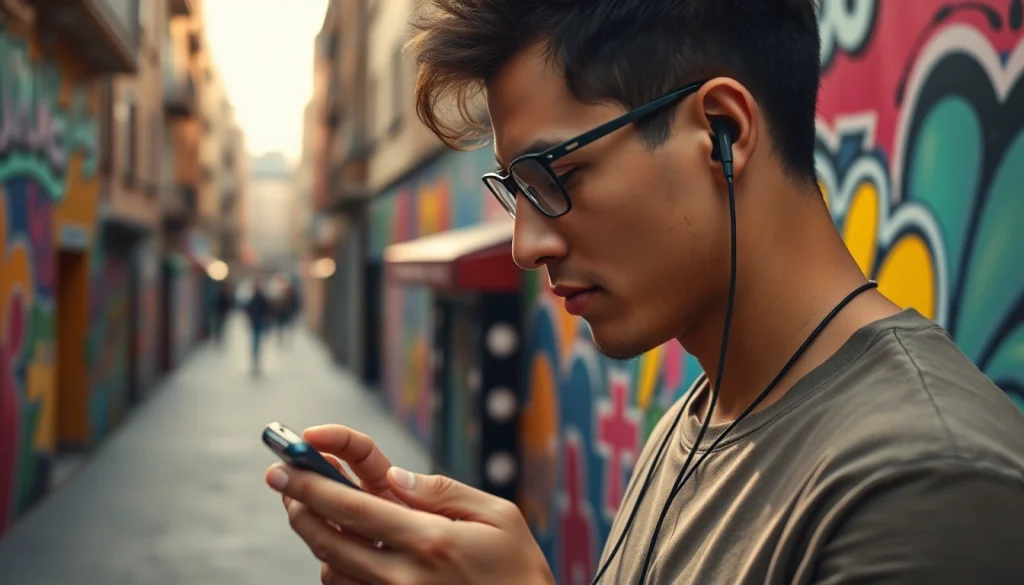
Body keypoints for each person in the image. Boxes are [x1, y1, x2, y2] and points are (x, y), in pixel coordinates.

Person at [264, 1, 1024, 584]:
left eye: (555, 175)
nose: (527, 246)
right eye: (515, 190)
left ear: (722, 130)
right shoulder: (693, 420)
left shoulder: (929, 484)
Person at [245, 277, 270, 376]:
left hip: (259, 323)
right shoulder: (254, 297)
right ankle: (255, 363)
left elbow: (266, 310)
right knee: (255, 344)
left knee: (256, 344)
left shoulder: (260, 297)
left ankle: (256, 363)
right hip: (255, 323)